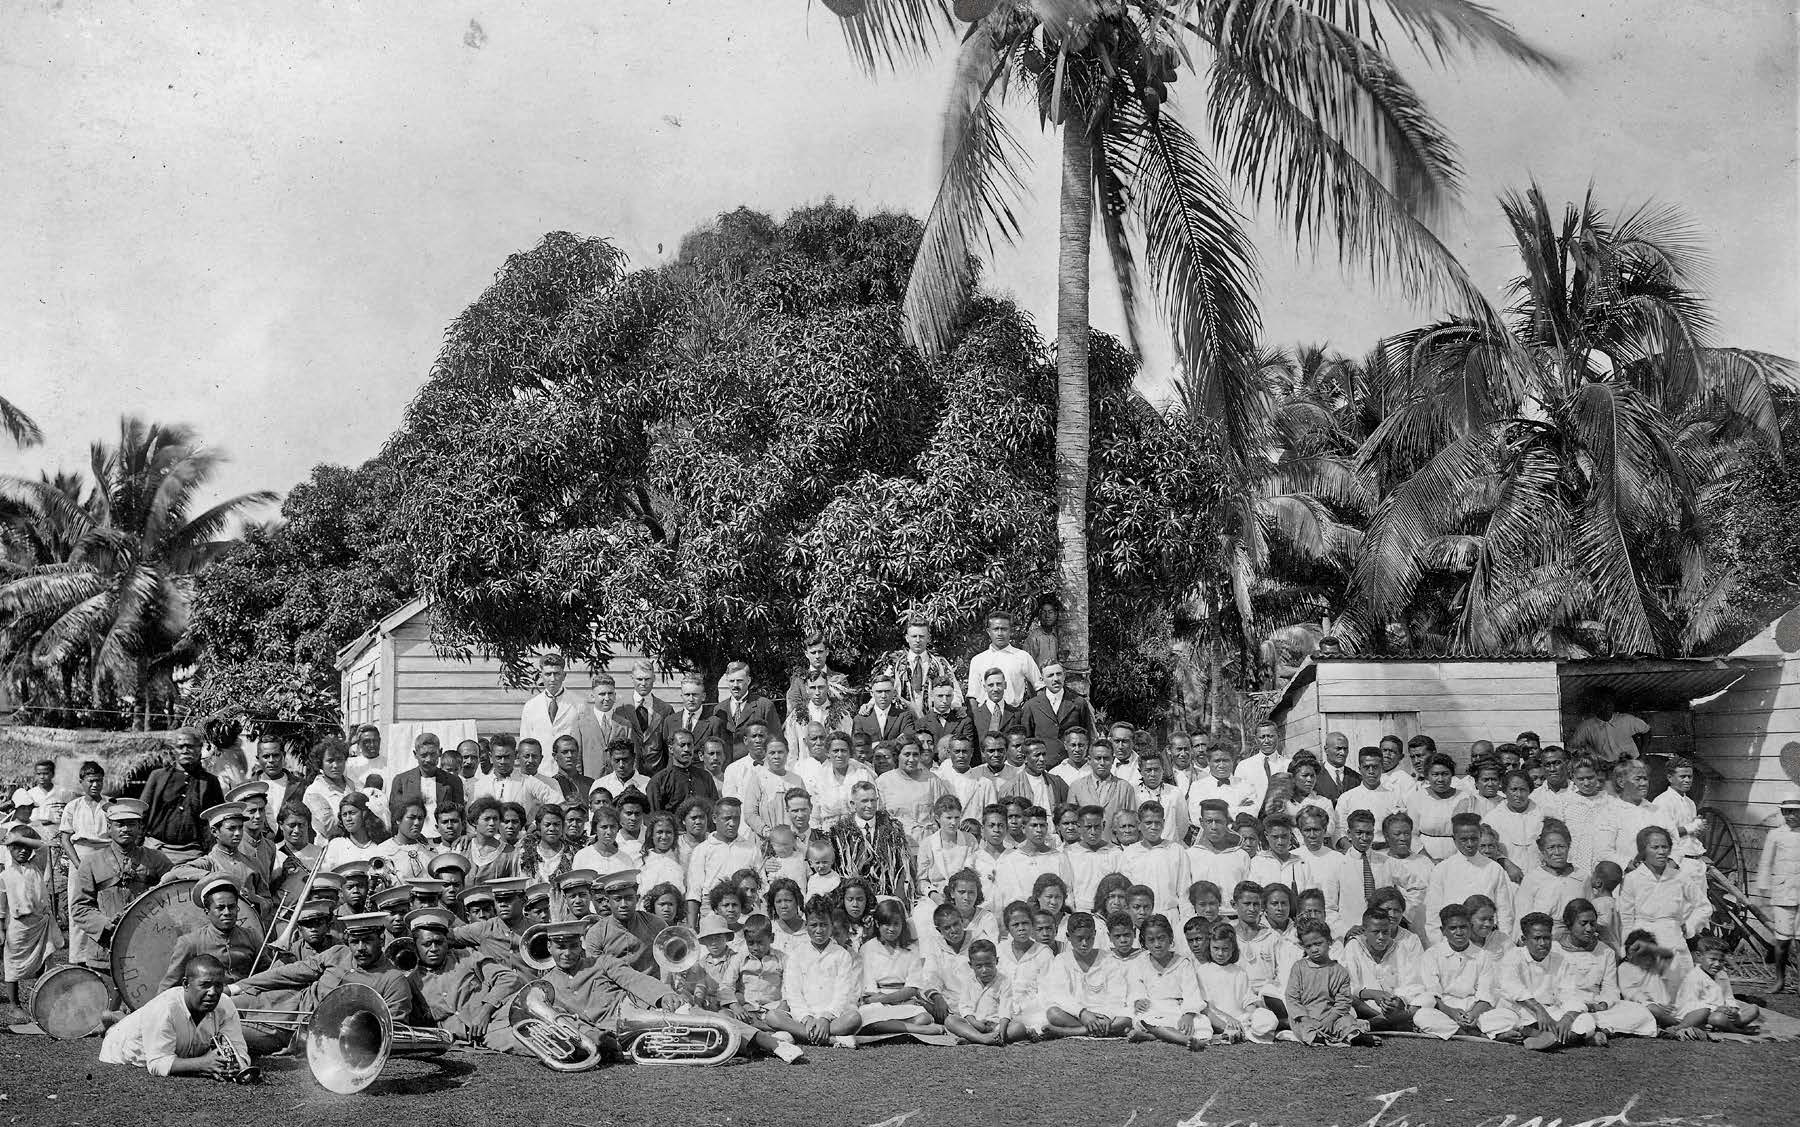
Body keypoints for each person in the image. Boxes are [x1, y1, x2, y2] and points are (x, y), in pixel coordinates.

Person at [100, 955, 254, 1080]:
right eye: (205, 985)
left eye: (218, 985)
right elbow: (157, 1063)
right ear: (186, 984)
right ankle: (113, 1023)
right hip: (117, 1048)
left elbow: (238, 1047)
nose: (213, 992)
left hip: (175, 1045)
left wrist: (236, 1065)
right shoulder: (165, 1008)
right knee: (118, 1032)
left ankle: (119, 1019)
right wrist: (202, 1064)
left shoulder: (225, 1004)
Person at [404, 907, 521, 1048]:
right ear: (416, 946)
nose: (434, 948)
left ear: (447, 942)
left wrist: (485, 1011)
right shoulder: (411, 981)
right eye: (426, 944)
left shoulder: (467, 956)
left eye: (439, 942)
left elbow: (508, 978)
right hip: (483, 1037)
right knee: (523, 1043)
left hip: (497, 1017)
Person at [765, 895, 862, 1047]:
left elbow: (842, 992)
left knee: (854, 1018)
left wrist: (825, 1018)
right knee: (772, 1016)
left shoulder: (842, 954)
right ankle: (831, 1039)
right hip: (803, 1017)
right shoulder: (797, 953)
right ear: (806, 926)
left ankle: (799, 1035)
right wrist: (806, 1017)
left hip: (832, 1019)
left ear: (831, 925)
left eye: (824, 925)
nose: (819, 930)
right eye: (813, 925)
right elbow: (793, 992)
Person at [159, 875, 263, 990]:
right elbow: (169, 987)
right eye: (220, 908)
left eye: (232, 907)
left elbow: (267, 971)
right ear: (207, 912)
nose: (227, 912)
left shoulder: (251, 936)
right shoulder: (190, 943)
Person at [141, 729, 225, 864]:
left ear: (200, 749)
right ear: (174, 750)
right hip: (156, 849)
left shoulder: (210, 782)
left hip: (194, 853)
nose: (185, 750)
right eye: (180, 747)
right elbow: (142, 813)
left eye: (190, 746)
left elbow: (218, 819)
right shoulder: (158, 777)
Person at [1286, 920, 1375, 1046]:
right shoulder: (1299, 968)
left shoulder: (1339, 971)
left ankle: (1354, 1036)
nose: (1314, 949)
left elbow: (1343, 1001)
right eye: (1309, 946)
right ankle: (1318, 1037)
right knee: (1304, 1028)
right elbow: (1292, 998)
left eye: (1318, 943)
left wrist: (1330, 1019)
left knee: (1347, 1021)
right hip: (1306, 1016)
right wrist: (1305, 1018)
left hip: (1331, 1015)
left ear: (1329, 941)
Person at [519, 652, 605, 778]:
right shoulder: (530, 706)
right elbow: (525, 744)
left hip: (570, 774)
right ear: (541, 675)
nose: (552, 679)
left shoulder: (579, 704)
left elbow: (588, 745)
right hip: (540, 774)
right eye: (548, 674)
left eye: (557, 674)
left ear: (564, 675)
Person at [832, 782, 914, 903]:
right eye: (864, 801)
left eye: (873, 800)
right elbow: (838, 871)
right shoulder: (840, 833)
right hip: (854, 899)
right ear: (853, 804)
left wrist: (897, 899)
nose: (870, 805)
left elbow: (902, 867)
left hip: (888, 896)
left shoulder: (892, 828)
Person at [1754, 793, 1800, 993]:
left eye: (1795, 813)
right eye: (1787, 812)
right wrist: (1763, 887)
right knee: (1782, 941)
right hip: (1783, 892)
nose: (1790, 816)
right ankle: (1779, 979)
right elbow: (1766, 862)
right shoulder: (1776, 835)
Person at [1674, 934, 1760, 1035]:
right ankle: (1738, 1030)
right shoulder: (1694, 977)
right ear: (1699, 956)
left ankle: (1725, 1025)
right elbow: (1689, 1005)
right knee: (1717, 1018)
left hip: (1723, 1013)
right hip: (1702, 1015)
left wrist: (1733, 1009)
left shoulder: (1722, 975)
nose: (1717, 964)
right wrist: (1716, 1008)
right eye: (1713, 959)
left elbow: (1729, 997)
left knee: (1754, 1009)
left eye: (1721, 961)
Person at [389, 733, 465, 827]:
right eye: (424, 755)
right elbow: (395, 817)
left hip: (443, 839)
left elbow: (460, 815)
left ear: (440, 752)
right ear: (415, 754)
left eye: (433, 754)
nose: (428, 759)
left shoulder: (453, 781)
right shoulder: (401, 781)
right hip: (413, 839)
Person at [645, 729, 719, 814]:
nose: (687, 749)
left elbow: (715, 811)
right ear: (671, 749)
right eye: (682, 745)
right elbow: (655, 817)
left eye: (690, 745)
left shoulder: (705, 777)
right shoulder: (659, 781)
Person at [1567, 690, 1649, 766]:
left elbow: (1647, 731)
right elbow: (1572, 748)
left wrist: (1642, 756)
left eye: (1609, 703)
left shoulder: (1626, 719)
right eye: (1603, 703)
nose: (1607, 706)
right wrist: (1590, 759)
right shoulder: (1586, 726)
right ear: (1597, 706)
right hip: (1604, 767)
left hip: (1630, 763)